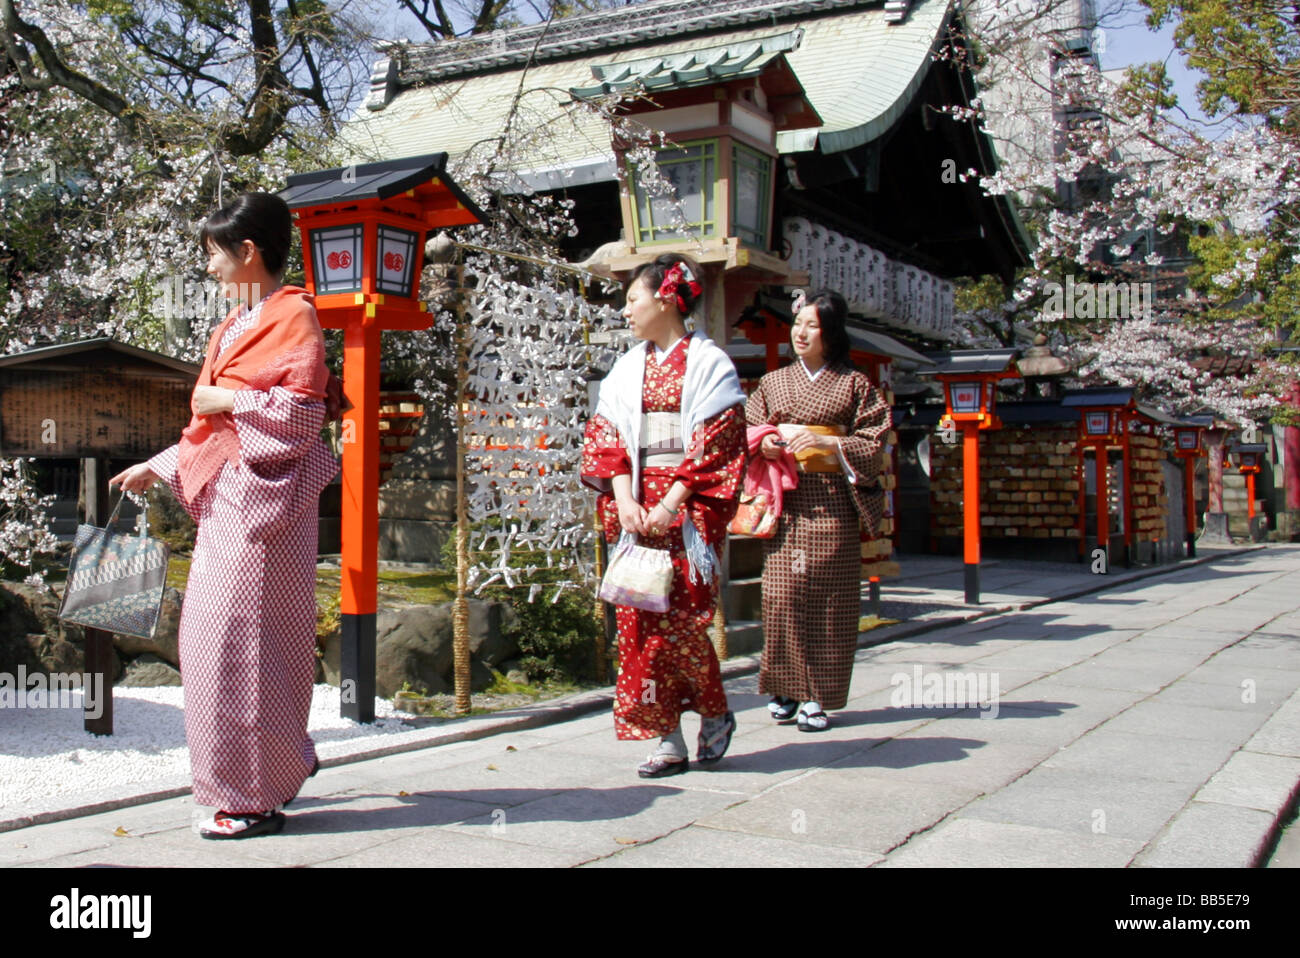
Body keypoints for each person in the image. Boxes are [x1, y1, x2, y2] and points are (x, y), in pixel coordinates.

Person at [111, 192, 339, 838]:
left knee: (237, 646)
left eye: (213, 253)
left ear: (248, 251)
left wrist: (229, 396)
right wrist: (158, 464)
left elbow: (302, 414)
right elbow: (208, 424)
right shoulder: (234, 324)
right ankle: (279, 762)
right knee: (221, 641)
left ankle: (249, 799)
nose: (207, 266)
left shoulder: (293, 312)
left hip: (263, 505)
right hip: (231, 500)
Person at [581, 253, 747, 777]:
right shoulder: (628, 367)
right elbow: (606, 438)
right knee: (637, 626)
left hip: (687, 511)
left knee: (684, 623)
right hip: (635, 513)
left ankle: (714, 713)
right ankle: (667, 738)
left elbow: (716, 446)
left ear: (664, 297)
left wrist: (671, 504)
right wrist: (626, 501)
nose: (625, 310)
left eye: (632, 298)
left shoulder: (710, 363)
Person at [745, 289, 892, 731]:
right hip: (785, 502)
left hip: (831, 504)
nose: (801, 333)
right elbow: (749, 429)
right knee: (781, 597)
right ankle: (787, 688)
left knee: (830, 600)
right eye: (798, 325)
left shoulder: (854, 383)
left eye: (813, 326)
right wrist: (766, 442)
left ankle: (818, 697)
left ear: (831, 333)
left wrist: (830, 442)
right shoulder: (772, 383)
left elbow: (875, 439)